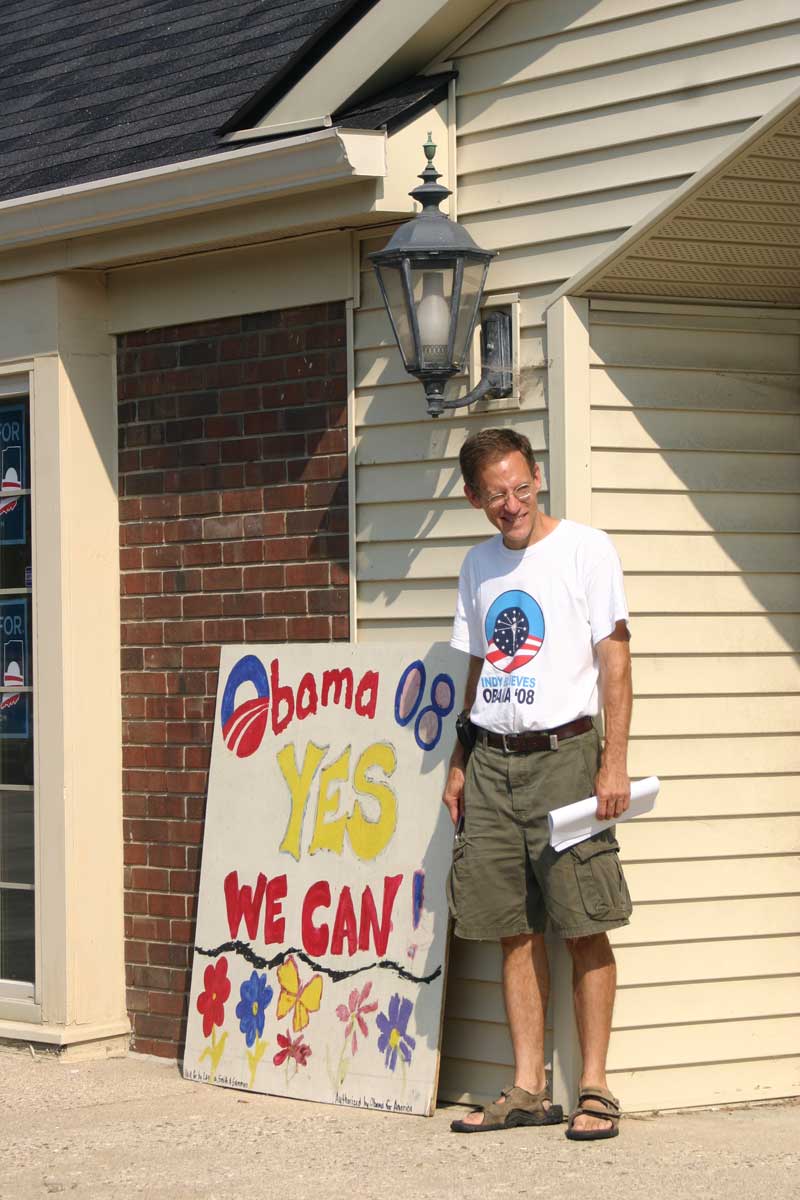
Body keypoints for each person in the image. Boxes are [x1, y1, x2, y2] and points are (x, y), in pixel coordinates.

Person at [443, 427, 633, 1141]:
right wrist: (461, 759)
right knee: (511, 927)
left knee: (584, 919)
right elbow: (480, 668)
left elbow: (614, 660)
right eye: (496, 495)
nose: (512, 505)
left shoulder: (586, 548)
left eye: (522, 488)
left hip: (566, 756)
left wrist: (612, 761)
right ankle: (527, 1087)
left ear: (538, 477)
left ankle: (595, 1087)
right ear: (474, 497)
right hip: (492, 761)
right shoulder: (477, 565)